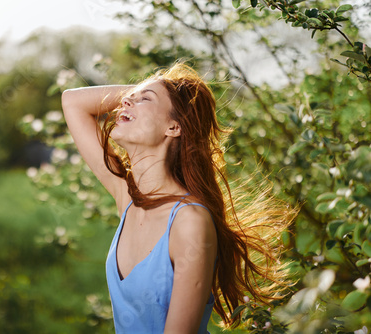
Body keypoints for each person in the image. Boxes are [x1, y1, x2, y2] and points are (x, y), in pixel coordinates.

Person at [61, 63, 294, 333]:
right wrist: (142, 94)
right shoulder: (128, 199)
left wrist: (167, 97)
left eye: (144, 99)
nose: (126, 101)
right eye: (129, 98)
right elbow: (72, 101)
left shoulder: (189, 221)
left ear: (174, 127)